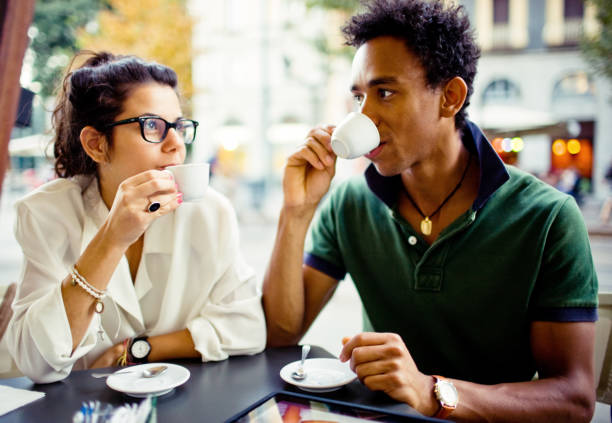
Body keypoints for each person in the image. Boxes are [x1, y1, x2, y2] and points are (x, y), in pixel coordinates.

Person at [262, 1, 598, 421]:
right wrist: (297, 211)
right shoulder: (350, 204)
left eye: (385, 93)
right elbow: (279, 335)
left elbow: (574, 399)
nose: (362, 116)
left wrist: (433, 392)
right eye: (358, 97)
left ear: (450, 98)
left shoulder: (548, 219)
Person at [7, 52, 266, 383]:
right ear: (97, 145)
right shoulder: (47, 214)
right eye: (153, 126)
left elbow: (248, 327)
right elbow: (37, 362)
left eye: (179, 127)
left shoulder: (209, 211)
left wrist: (135, 350)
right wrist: (112, 237)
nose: (176, 145)